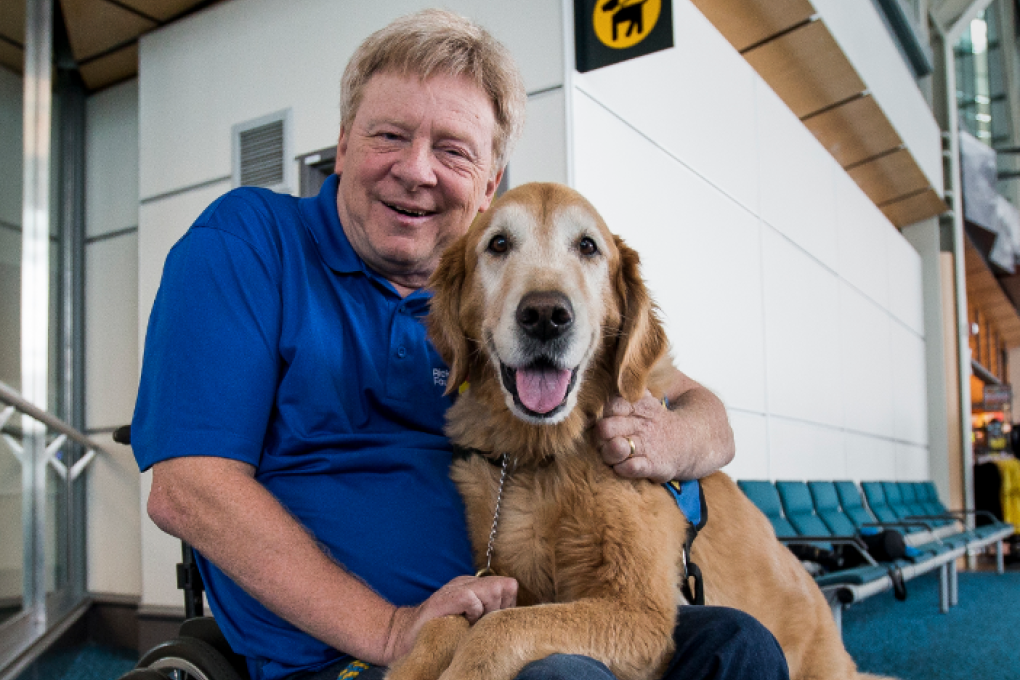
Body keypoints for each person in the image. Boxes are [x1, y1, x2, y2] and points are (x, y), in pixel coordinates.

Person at [132, 9, 788, 680]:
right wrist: (391, 630)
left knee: (741, 648)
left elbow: (691, 402)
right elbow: (190, 490)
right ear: (344, 141)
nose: (416, 170)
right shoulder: (250, 242)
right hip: (359, 654)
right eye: (390, 134)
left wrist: (680, 441)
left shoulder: (484, 298)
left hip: (520, 614)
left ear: (488, 185)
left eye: (453, 151)